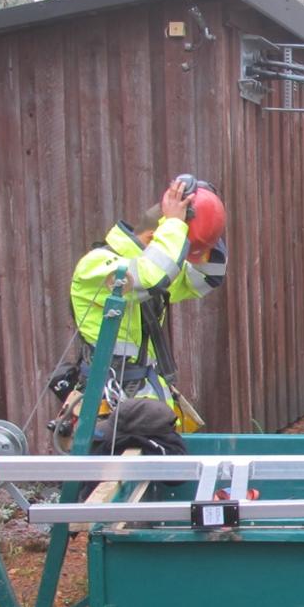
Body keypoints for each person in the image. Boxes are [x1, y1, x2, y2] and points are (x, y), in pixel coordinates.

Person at [55, 176, 229, 455]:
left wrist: (209, 222)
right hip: (105, 408)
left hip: (143, 407)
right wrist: (175, 224)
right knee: (103, 490)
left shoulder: (155, 264)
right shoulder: (98, 266)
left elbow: (207, 279)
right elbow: (150, 278)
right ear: (158, 235)